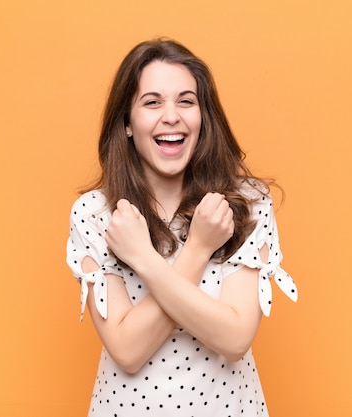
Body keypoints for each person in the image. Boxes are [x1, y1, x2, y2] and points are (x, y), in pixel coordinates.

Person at [66, 38, 297, 417]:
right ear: (127, 122)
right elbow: (126, 350)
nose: (171, 116)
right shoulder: (95, 213)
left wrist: (150, 257)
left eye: (186, 101)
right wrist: (198, 252)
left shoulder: (247, 201)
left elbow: (235, 338)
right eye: (152, 102)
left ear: (203, 117)